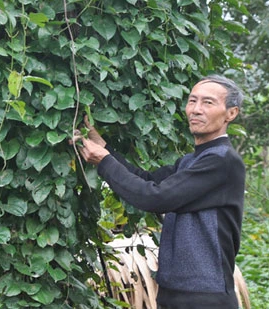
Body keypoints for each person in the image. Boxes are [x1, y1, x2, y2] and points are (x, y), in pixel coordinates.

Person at [74, 75, 245, 309]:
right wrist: (104, 148)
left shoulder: (223, 162)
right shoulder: (192, 160)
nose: (196, 110)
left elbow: (154, 197)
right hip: (173, 294)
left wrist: (104, 162)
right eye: (192, 101)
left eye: (208, 103)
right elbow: (147, 180)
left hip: (205, 297)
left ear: (231, 113)